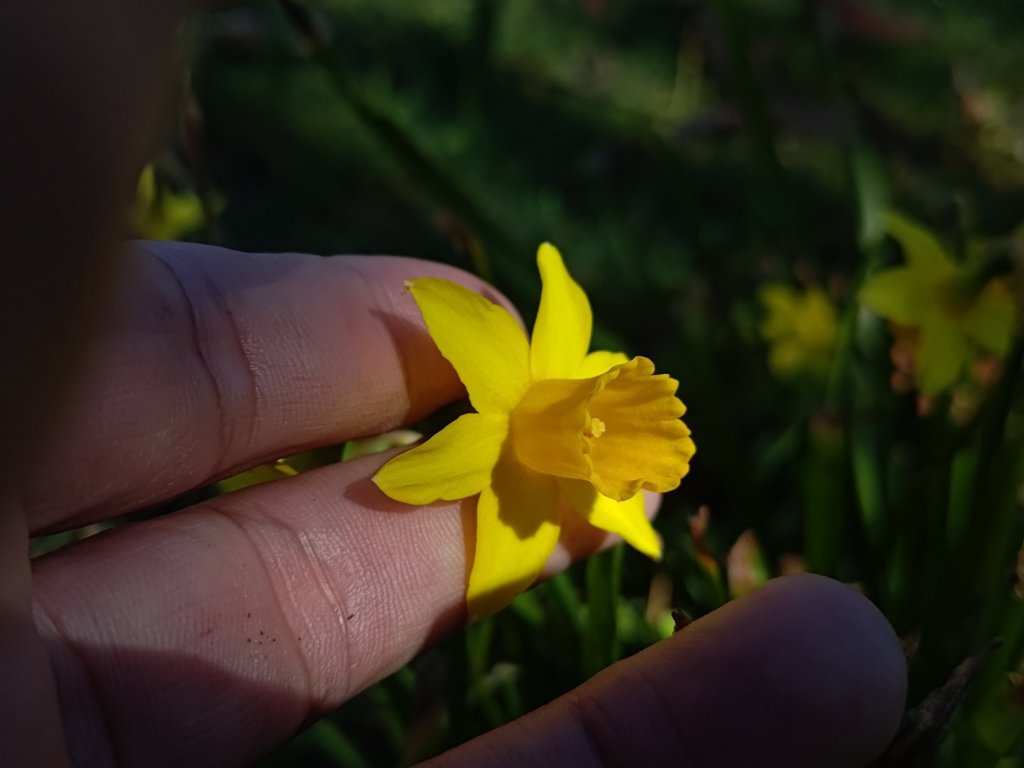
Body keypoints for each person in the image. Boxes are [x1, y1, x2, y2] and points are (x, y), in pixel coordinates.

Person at [0, 3, 906, 766]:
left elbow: (587, 456)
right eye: (592, 414)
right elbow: (441, 435)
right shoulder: (521, 365)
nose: (591, 423)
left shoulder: (564, 417)